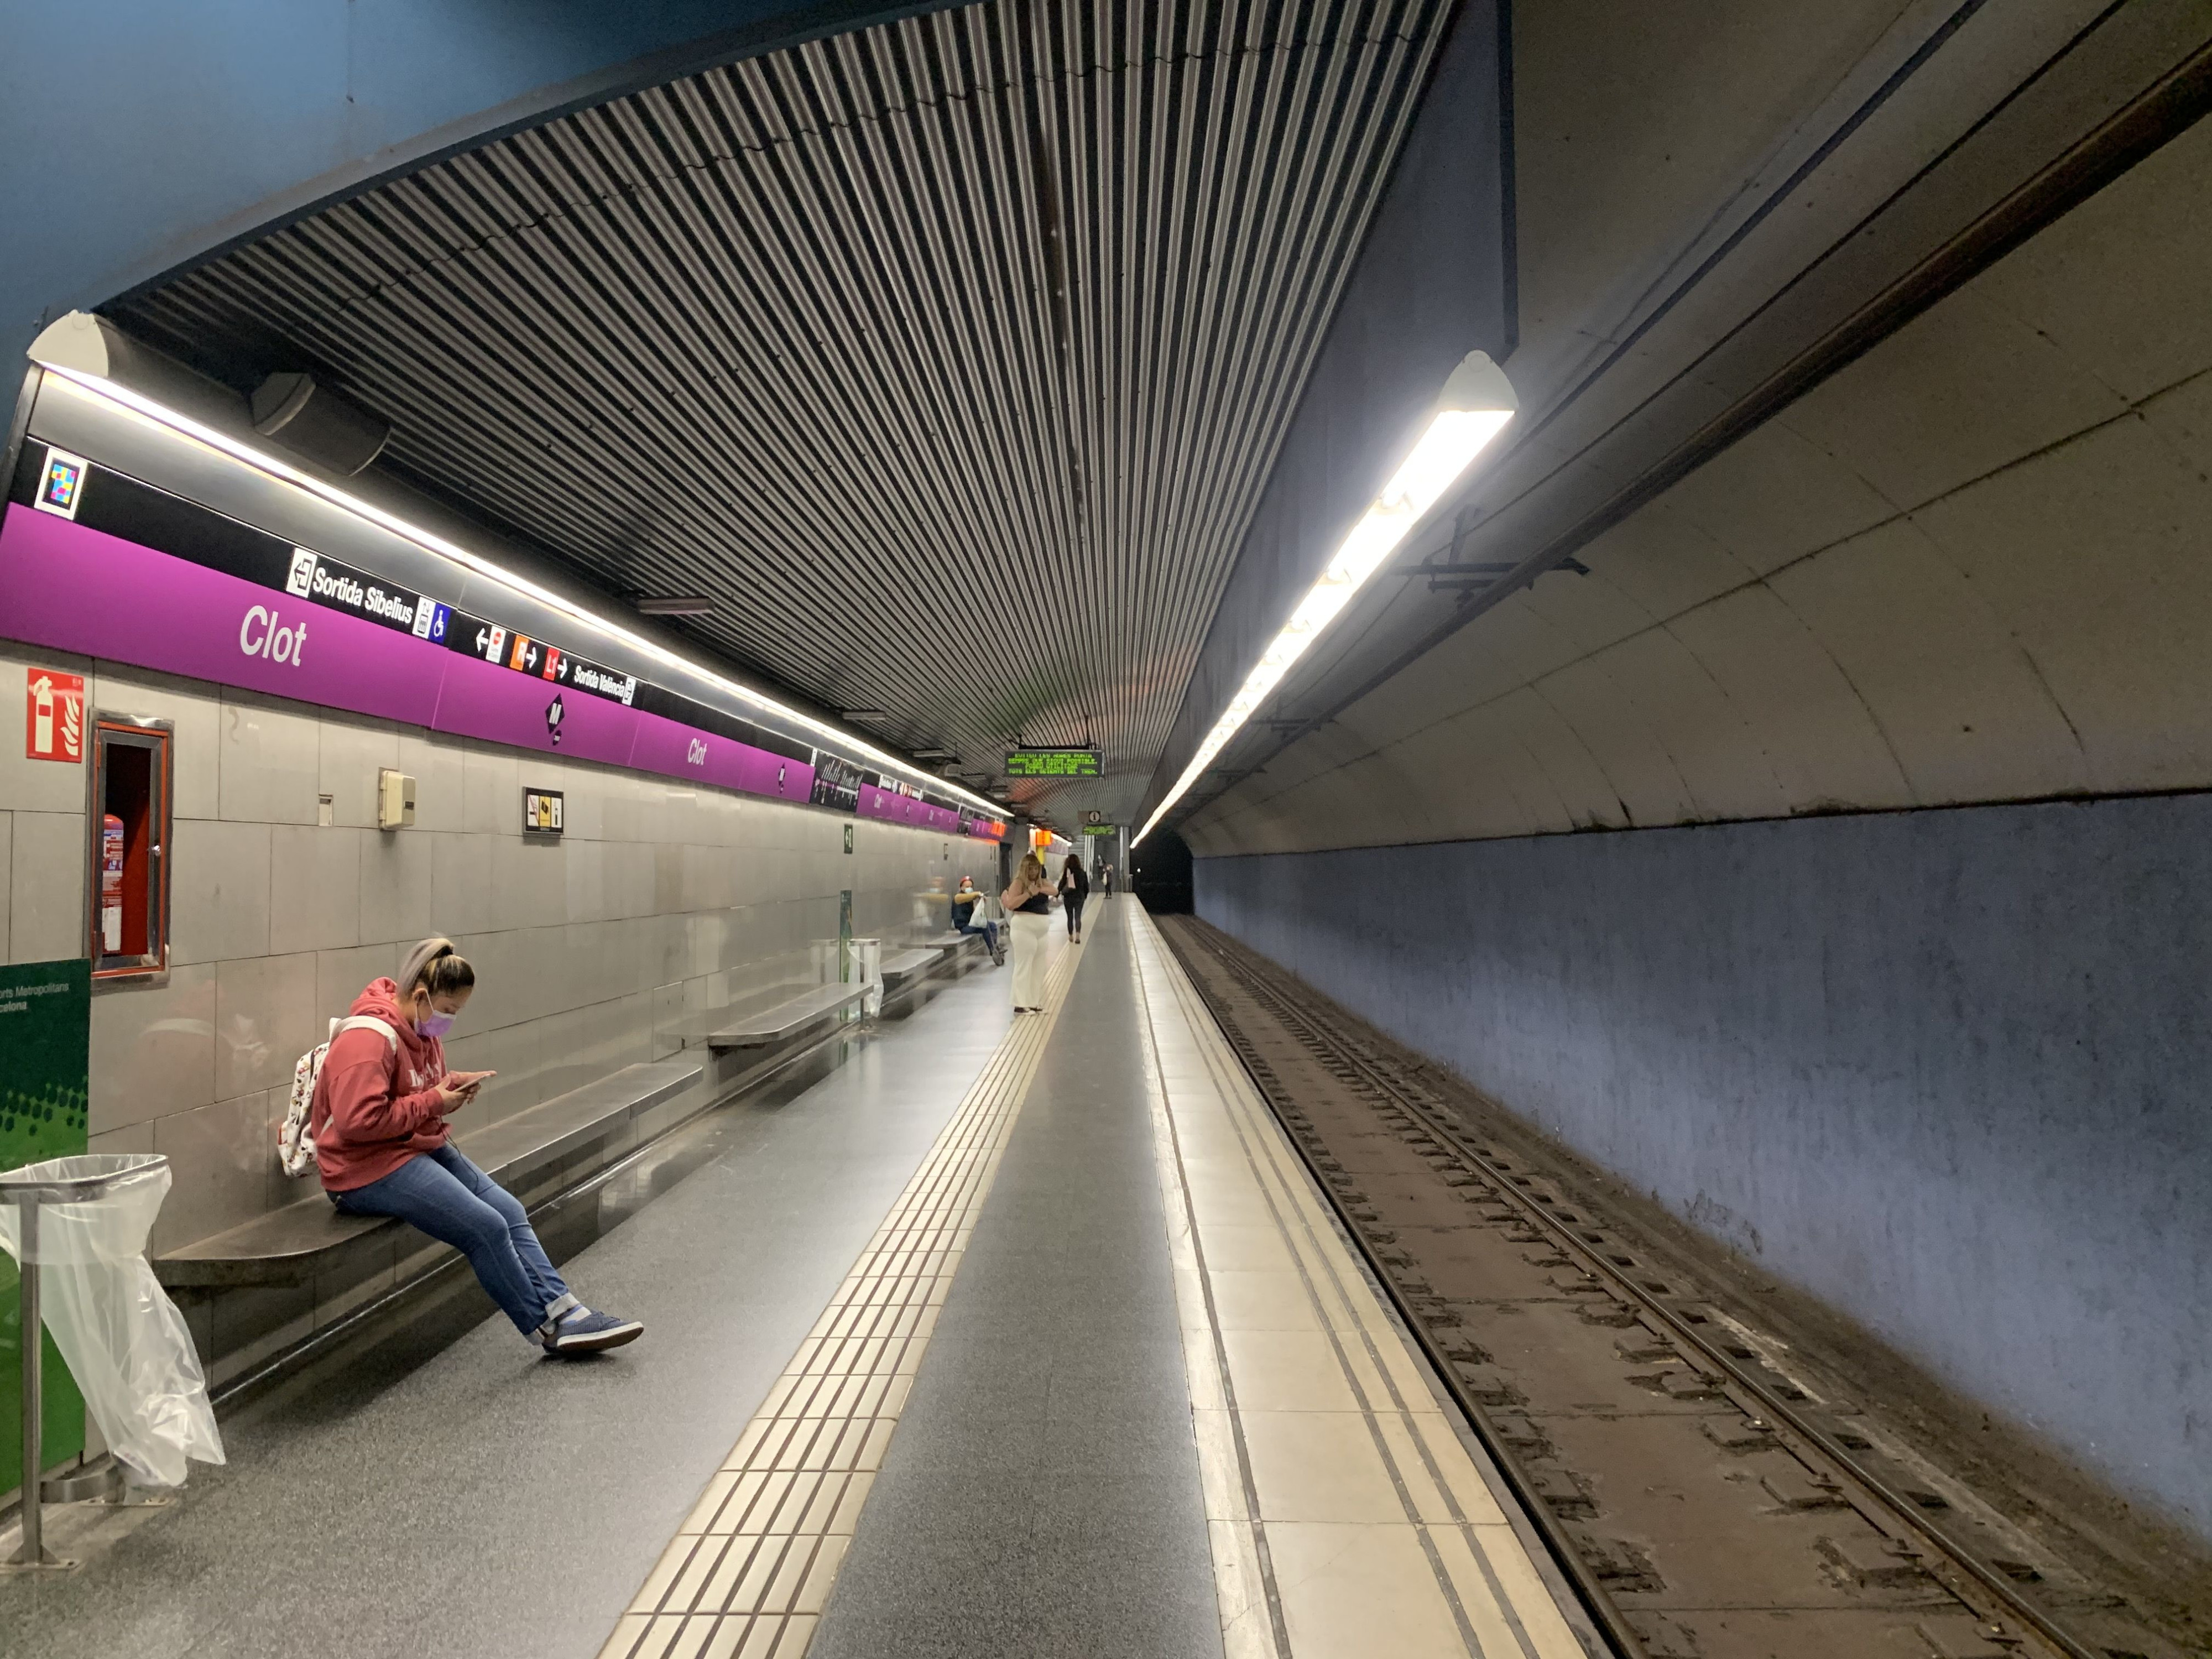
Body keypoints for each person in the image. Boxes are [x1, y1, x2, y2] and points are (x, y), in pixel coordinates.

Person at [311, 937, 644, 1356]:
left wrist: (449, 1088)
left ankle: (569, 1310)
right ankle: (545, 1330)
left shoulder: (421, 1031)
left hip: (412, 1147)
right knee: (486, 1228)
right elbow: (358, 1122)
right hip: (363, 1171)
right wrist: (435, 1101)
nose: (449, 1021)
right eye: (448, 1011)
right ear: (420, 995)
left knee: (509, 1211)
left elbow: (414, 1092)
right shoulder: (367, 1040)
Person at [1001, 853, 1055, 1013]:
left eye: (1036, 868)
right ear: (1024, 869)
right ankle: (1020, 1003)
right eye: (1030, 868)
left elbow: (1055, 890)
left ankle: (1033, 1001)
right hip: (1024, 928)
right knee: (1024, 966)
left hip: (1041, 931)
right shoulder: (1018, 883)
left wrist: (1038, 889)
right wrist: (1029, 894)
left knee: (1038, 967)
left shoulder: (1041, 882)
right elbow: (1011, 904)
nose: (1033, 871)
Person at [951, 874, 1005, 966]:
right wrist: (976, 894)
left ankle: (995, 947)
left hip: (971, 924)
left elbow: (975, 914)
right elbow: (963, 898)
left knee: (992, 925)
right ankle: (993, 951)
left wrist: (979, 902)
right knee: (984, 926)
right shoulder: (958, 897)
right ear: (961, 888)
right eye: (967, 887)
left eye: (971, 887)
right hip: (964, 927)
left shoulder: (970, 899)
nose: (969, 888)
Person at [1058, 852, 1090, 942]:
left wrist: (1057, 894)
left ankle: (1071, 936)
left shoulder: (1067, 872)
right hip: (1080, 897)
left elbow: (1062, 883)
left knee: (1070, 917)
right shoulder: (1083, 873)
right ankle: (1078, 936)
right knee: (1078, 917)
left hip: (1068, 898)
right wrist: (1085, 896)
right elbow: (1086, 887)